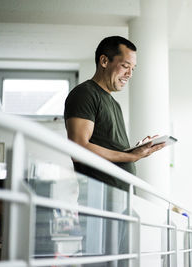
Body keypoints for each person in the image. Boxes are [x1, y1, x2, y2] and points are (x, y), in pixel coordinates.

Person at [64, 36, 165, 189]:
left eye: (133, 68)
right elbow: (78, 148)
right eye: (125, 66)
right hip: (100, 201)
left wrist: (135, 151)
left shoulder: (114, 104)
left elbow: (110, 147)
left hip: (121, 199)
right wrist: (131, 157)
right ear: (104, 61)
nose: (130, 74)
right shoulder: (85, 94)